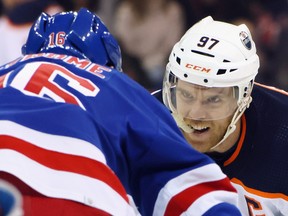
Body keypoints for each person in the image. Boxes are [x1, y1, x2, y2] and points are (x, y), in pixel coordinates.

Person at [0, 8, 242, 216]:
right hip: (71, 195)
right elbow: (188, 189)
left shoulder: (5, 72)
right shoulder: (113, 85)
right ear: (107, 63)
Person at [153, 16, 288, 215]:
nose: (195, 114)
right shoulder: (144, 122)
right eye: (186, 95)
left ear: (243, 97)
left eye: (213, 99)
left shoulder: (283, 134)